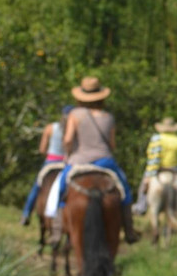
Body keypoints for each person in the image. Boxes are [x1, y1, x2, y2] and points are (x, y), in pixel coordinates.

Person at [56, 76, 140, 244]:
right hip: (105, 161)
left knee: (59, 190)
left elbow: (67, 140)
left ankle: (57, 229)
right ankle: (129, 229)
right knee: (125, 191)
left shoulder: (75, 114)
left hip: (78, 161)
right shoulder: (108, 117)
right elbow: (113, 145)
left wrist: (69, 154)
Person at [20, 105, 73, 226]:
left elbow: (42, 149)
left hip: (51, 162)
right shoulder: (74, 130)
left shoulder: (50, 128)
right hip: (67, 164)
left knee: (36, 187)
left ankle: (26, 213)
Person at [131, 117, 177, 216]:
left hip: (157, 169)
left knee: (144, 186)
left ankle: (141, 207)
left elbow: (150, 154)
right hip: (174, 169)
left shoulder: (156, 139)